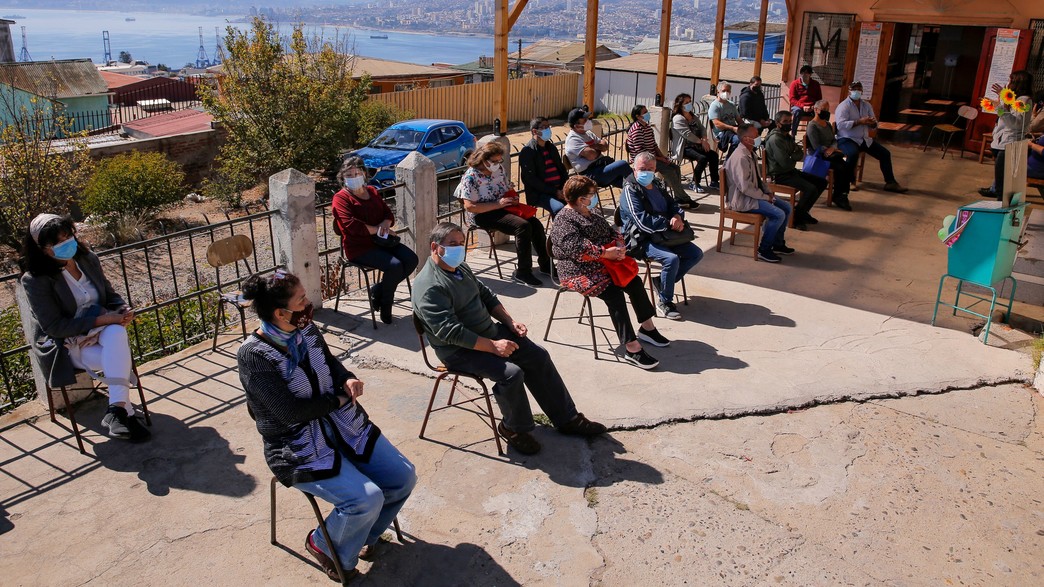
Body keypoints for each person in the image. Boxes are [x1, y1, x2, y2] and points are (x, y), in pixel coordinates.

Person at [237, 269, 416, 582]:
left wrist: (346, 378)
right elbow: (289, 413)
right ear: (281, 313)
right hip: (297, 448)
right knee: (365, 498)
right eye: (302, 299)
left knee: (402, 477)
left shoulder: (303, 328)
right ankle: (322, 543)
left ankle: (363, 538)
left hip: (343, 428)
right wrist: (337, 401)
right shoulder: (254, 355)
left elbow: (329, 362)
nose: (308, 304)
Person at [412, 222, 607, 455]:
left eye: (461, 243)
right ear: (435, 247)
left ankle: (567, 418)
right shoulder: (429, 287)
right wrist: (493, 346)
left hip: (489, 334)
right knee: (511, 374)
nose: (458, 249)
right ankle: (513, 429)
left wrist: (509, 322)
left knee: (538, 356)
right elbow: (450, 332)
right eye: (452, 244)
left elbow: (486, 295)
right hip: (459, 350)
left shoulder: (460, 268)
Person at [20, 213, 149, 442]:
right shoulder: (36, 280)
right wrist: (105, 320)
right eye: (57, 242)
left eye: (68, 236)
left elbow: (109, 296)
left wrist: (122, 310)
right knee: (118, 354)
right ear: (42, 248)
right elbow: (55, 327)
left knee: (117, 334)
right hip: (68, 344)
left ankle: (117, 410)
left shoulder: (87, 259)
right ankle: (124, 411)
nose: (66, 243)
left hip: (102, 333)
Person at [549, 176, 669, 369]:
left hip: (605, 263)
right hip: (577, 270)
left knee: (634, 282)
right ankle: (632, 347)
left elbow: (611, 231)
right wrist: (606, 253)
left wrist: (619, 245)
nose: (594, 198)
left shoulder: (589, 211)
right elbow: (578, 250)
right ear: (580, 199)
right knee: (614, 294)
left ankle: (647, 328)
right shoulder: (564, 220)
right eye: (591, 195)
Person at [331, 156, 418, 324]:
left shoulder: (371, 191)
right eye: (349, 174)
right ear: (342, 177)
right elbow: (350, 226)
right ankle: (386, 305)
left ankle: (378, 290)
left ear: (364, 174)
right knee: (395, 266)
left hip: (382, 241)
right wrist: (379, 229)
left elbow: (388, 214)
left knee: (411, 259)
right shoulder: (341, 198)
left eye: (357, 173)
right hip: (359, 248)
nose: (354, 177)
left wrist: (385, 223)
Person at [619, 152, 704, 320]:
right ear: (634, 168)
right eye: (642, 168)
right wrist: (667, 223)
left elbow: (673, 204)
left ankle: (662, 283)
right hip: (642, 239)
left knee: (695, 254)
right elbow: (641, 222)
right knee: (671, 259)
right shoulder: (630, 189)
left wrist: (678, 217)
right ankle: (665, 301)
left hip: (666, 235)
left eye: (650, 169)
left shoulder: (657, 184)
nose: (646, 172)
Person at [457, 141, 551, 287]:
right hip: (482, 214)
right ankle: (523, 272)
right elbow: (470, 207)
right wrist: (497, 204)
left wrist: (512, 198)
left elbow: (506, 188)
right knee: (523, 226)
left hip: (502, 208)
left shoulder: (499, 170)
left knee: (535, 224)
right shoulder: (471, 177)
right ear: (483, 159)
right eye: (494, 161)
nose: (497, 163)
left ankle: (545, 264)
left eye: (499, 160)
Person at [723, 123, 794, 263]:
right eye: (756, 135)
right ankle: (764, 249)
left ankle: (778, 243)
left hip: (754, 195)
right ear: (745, 139)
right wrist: (764, 197)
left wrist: (769, 192)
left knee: (786, 207)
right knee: (778, 214)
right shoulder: (740, 157)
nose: (758, 138)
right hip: (743, 200)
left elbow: (758, 180)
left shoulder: (750, 152)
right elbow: (745, 188)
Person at [835, 81, 908, 193]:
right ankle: (850, 181)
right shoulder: (844, 106)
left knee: (885, 154)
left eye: (859, 89)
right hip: (847, 139)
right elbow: (840, 125)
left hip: (864, 139)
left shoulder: (866, 105)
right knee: (853, 154)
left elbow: (874, 124)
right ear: (849, 91)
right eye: (854, 89)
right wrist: (859, 121)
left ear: (862, 91)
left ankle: (890, 182)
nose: (857, 91)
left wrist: (871, 123)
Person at [625, 104, 697, 208]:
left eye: (646, 111)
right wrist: (659, 159)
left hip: (652, 157)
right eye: (644, 113)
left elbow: (654, 145)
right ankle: (684, 198)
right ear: (638, 116)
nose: (647, 114)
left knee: (675, 168)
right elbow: (641, 152)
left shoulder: (647, 127)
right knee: (670, 172)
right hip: (643, 160)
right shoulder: (636, 129)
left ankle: (679, 196)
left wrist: (663, 157)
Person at [764, 110, 827, 230]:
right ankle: (797, 218)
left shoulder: (787, 136)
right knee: (810, 189)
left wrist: (792, 157)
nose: (788, 124)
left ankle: (802, 212)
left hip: (790, 172)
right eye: (785, 121)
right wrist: (793, 157)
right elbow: (785, 163)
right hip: (779, 174)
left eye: (790, 121)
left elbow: (800, 152)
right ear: (778, 123)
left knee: (821, 182)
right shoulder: (776, 139)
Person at [979, 70, 1034, 199]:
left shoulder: (1024, 100)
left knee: (1003, 184)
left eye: (1011, 81)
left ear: (1017, 83)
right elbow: (1007, 115)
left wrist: (999, 107)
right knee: (1001, 180)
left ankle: (1001, 208)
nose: (1008, 83)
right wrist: (1000, 100)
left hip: (1010, 143)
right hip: (1002, 142)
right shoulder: (1016, 99)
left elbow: (1016, 123)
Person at [564, 107, 633, 188]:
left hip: (602, 167)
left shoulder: (588, 133)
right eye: (584, 120)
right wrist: (598, 148)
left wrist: (594, 146)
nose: (588, 121)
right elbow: (592, 155)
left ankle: (639, 192)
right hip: (590, 174)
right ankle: (640, 188)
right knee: (622, 164)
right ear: (576, 125)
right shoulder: (573, 139)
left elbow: (605, 146)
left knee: (625, 182)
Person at [806, 99, 853, 211]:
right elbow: (816, 145)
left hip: (831, 153)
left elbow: (834, 140)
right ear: (816, 110)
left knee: (847, 166)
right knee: (841, 168)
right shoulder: (812, 126)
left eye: (828, 109)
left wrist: (833, 148)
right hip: (819, 155)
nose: (826, 112)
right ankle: (838, 196)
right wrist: (827, 150)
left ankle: (842, 194)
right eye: (824, 109)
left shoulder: (827, 124)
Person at [518, 117, 568, 217]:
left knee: (580, 202)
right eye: (544, 127)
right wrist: (554, 191)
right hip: (540, 193)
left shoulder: (551, 147)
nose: (548, 129)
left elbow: (561, 169)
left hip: (559, 189)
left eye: (548, 126)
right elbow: (531, 179)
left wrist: (566, 187)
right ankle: (560, 232)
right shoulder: (528, 152)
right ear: (535, 131)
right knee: (559, 208)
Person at [671, 93, 720, 193]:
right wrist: (701, 142)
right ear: (680, 105)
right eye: (686, 102)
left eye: (690, 101)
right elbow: (687, 134)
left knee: (713, 155)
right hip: (684, 148)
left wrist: (705, 140)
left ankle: (714, 181)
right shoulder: (678, 118)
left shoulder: (692, 116)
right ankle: (695, 182)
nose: (689, 104)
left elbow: (702, 128)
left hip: (698, 145)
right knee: (702, 158)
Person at [708, 82, 742, 155]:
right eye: (723, 91)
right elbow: (717, 123)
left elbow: (738, 119)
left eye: (728, 91)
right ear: (718, 92)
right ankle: (728, 162)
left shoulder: (731, 105)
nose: (726, 93)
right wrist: (732, 128)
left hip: (733, 130)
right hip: (721, 132)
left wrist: (746, 128)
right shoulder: (715, 106)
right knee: (737, 140)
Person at [788, 65, 822, 137]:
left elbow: (819, 99)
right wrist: (803, 106)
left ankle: (817, 135)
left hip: (812, 107)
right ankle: (793, 135)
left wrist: (813, 106)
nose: (804, 75)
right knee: (797, 112)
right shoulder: (794, 84)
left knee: (823, 113)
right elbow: (792, 99)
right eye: (802, 73)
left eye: (806, 73)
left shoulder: (815, 84)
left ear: (810, 74)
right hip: (799, 106)